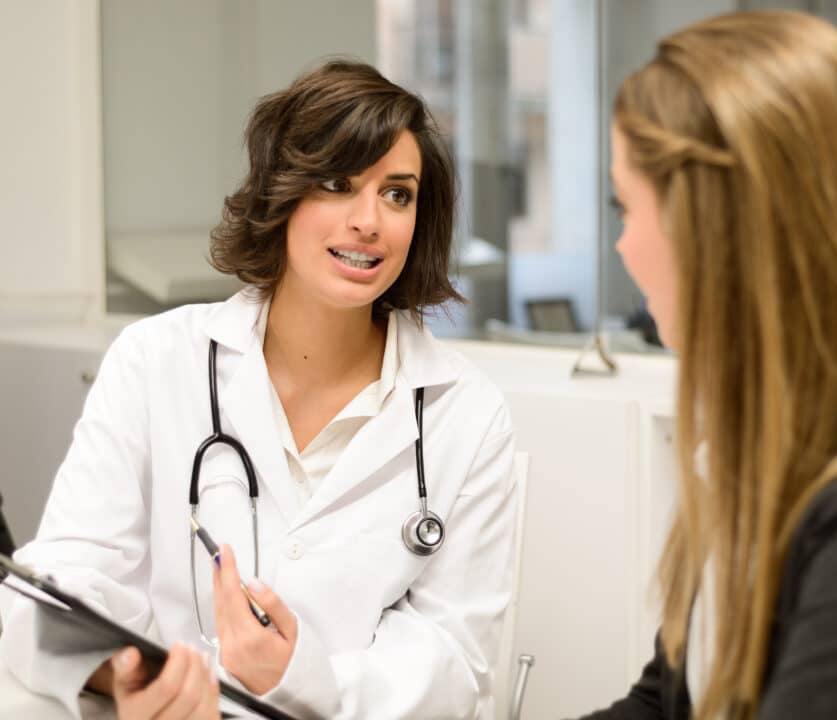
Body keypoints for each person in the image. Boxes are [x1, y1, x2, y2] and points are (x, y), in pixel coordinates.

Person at [0, 60, 517, 720]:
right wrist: (121, 672)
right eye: (337, 183)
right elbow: (62, 576)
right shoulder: (155, 362)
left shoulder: (465, 415)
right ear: (282, 191)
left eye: (398, 194)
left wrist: (301, 682)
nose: (370, 221)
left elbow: (454, 662)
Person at [579, 10, 837, 720]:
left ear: (710, 229)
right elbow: (664, 704)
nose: (623, 248)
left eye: (627, 209)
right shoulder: (756, 453)